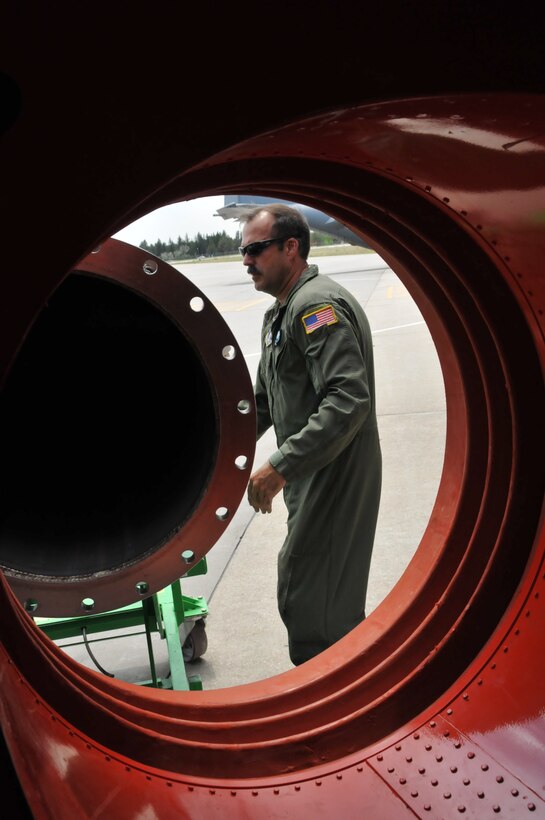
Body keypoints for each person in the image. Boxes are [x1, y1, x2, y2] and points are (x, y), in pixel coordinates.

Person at [242, 204, 382, 666]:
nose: (246, 260)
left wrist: (279, 467)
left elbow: (347, 400)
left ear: (291, 247)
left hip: (333, 473)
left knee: (316, 607)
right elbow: (262, 403)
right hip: (311, 474)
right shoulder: (281, 313)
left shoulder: (315, 307)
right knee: (309, 593)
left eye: (256, 249)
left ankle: (339, 712)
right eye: (243, 251)